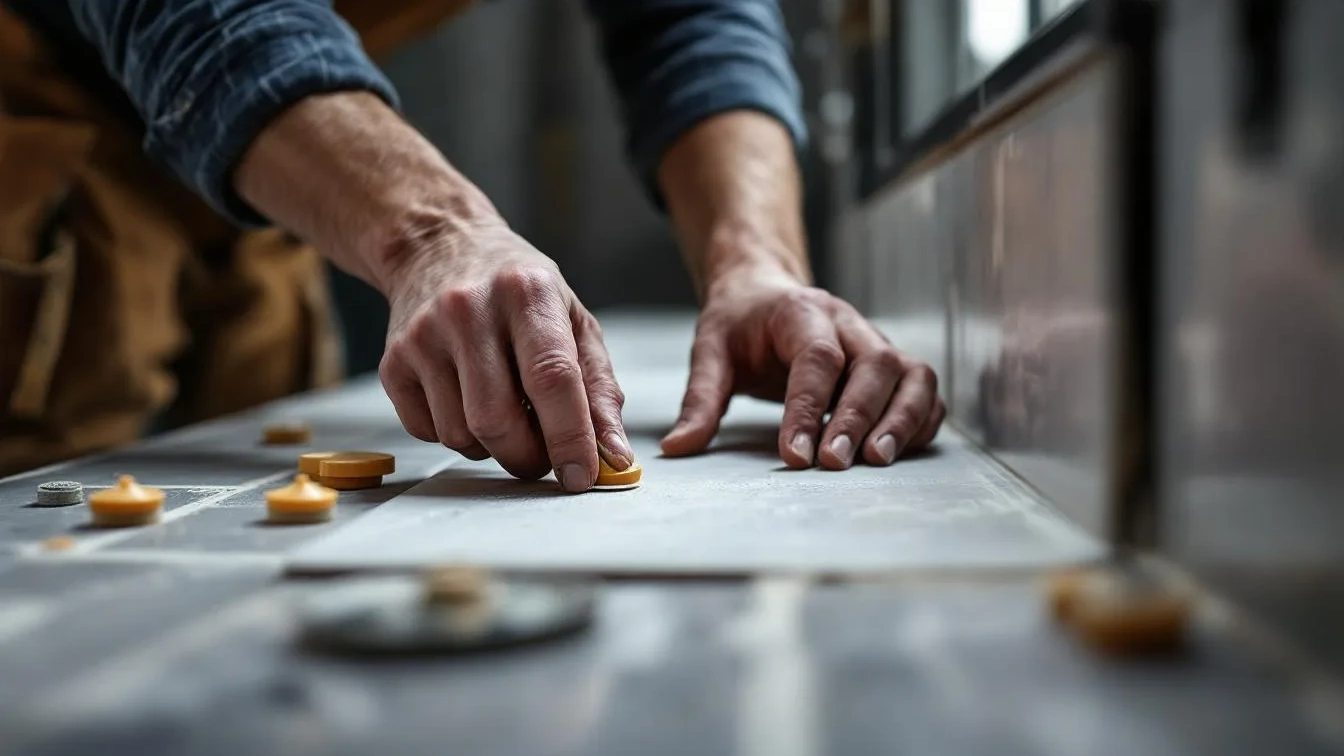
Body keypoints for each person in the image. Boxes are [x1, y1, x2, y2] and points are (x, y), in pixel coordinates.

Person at [0, 0, 944, 488]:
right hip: (47, 136)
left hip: (277, 163)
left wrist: (756, 263)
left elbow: (693, 21)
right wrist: (433, 234)